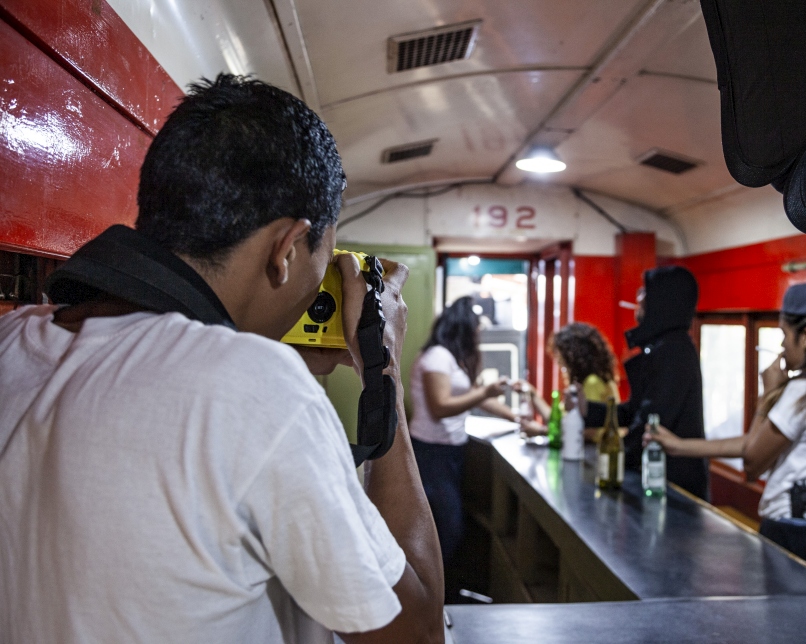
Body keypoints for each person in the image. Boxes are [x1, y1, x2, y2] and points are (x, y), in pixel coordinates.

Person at [0, 75, 444, 644]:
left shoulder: (14, 338)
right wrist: (382, 367)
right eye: (324, 259)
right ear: (286, 249)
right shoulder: (258, 392)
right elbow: (418, 630)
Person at [645, 274, 806, 608]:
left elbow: (753, 459)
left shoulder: (804, 392)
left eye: (785, 334)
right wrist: (679, 445)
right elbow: (757, 443)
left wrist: (768, 395)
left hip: (796, 532)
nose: (783, 346)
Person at [409, 297, 544, 565]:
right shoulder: (437, 356)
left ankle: (444, 589)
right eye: (477, 330)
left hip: (450, 451)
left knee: (451, 524)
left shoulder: (452, 359)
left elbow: (476, 397)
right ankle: (436, 594)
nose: (478, 335)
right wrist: (485, 390)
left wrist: (514, 417)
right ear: (463, 328)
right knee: (448, 526)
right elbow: (441, 407)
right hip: (431, 451)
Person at [582, 265, 709, 499]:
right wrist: (586, 409)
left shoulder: (673, 352)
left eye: (645, 292)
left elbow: (650, 422)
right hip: (662, 476)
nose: (638, 297)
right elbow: (634, 411)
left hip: (674, 484)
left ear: (662, 301)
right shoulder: (664, 348)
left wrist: (613, 458)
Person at [528, 322, 621, 440]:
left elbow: (588, 432)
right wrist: (533, 394)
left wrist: (541, 431)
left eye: (560, 356)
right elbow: (555, 418)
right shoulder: (585, 382)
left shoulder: (592, 382)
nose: (559, 362)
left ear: (572, 356)